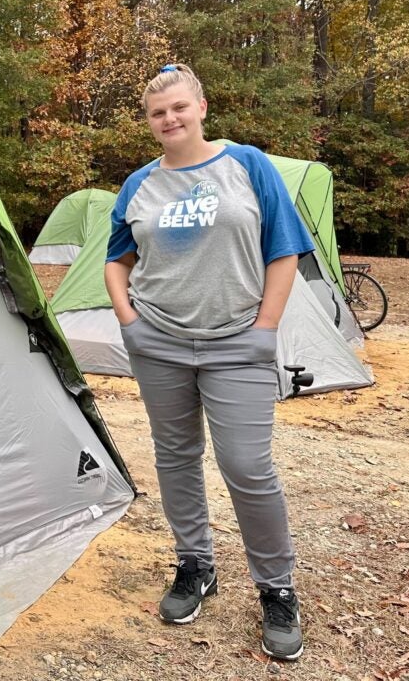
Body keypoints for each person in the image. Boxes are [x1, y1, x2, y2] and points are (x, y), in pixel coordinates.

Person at [104, 64, 313, 661]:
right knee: (175, 455)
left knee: (247, 466)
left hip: (236, 342)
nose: (169, 119)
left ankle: (277, 588)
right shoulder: (139, 184)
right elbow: (116, 261)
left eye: (178, 107)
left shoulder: (248, 165)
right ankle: (195, 564)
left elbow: (285, 250)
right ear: (149, 123)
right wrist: (130, 323)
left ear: (200, 107)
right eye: (157, 113)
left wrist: (264, 331)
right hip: (159, 342)